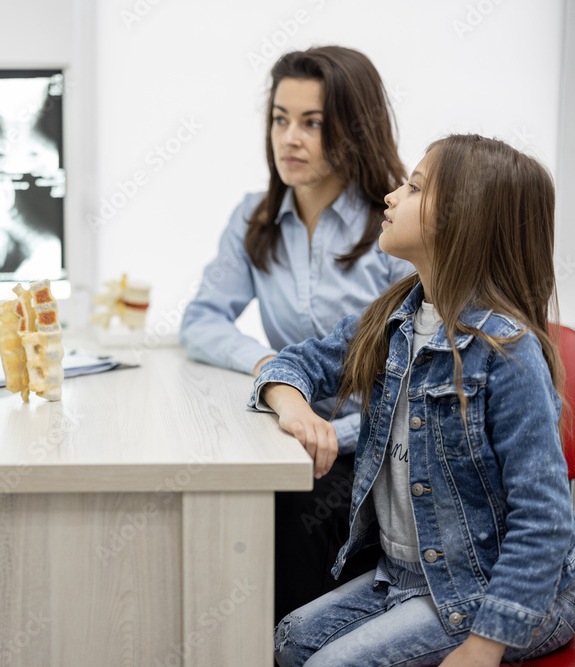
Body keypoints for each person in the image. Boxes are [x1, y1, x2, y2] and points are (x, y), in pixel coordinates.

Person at [256, 134, 575, 666]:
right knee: (289, 642)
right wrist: (292, 406)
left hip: (499, 593)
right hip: (409, 575)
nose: (391, 196)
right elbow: (295, 363)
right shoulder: (395, 318)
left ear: (462, 218)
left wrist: (484, 645)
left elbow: (545, 520)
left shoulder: (508, 354)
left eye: (414, 187)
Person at [179, 45, 414, 622]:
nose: (290, 138)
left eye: (313, 123)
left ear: (355, 130)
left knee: (282, 516)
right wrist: (269, 367)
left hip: (377, 449)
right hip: (293, 430)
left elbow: (419, 378)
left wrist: (332, 433)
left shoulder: (396, 225)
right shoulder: (254, 217)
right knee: (226, 496)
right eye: (281, 119)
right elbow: (202, 317)